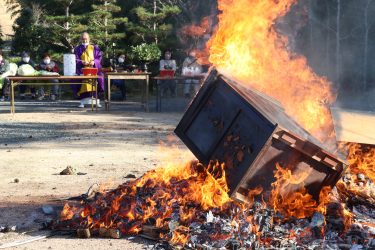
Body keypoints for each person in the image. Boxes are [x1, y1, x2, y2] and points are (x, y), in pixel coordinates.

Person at [73, 32, 104, 108]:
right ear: (81, 39)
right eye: (83, 39)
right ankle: (82, 100)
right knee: (78, 79)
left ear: (89, 39)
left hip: (93, 69)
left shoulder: (95, 47)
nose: (85, 40)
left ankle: (96, 99)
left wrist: (94, 62)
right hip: (82, 69)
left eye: (86, 38)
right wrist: (82, 62)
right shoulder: (77, 48)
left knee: (99, 78)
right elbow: (75, 59)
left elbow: (99, 58)